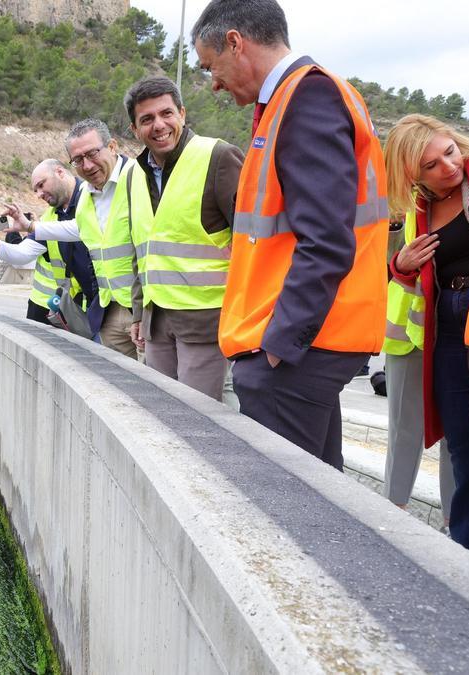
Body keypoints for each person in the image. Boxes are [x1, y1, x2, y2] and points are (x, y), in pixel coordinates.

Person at [193, 0, 389, 469]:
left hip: (300, 348)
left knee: (288, 513)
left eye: (210, 66)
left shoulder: (307, 98)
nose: (214, 82)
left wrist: (279, 348)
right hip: (309, 343)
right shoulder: (299, 97)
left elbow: (326, 241)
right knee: (321, 498)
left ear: (236, 43)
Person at [385, 114, 469, 560]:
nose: (448, 166)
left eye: (449, 152)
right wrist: (400, 267)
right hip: (445, 323)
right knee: (461, 448)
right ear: (412, 173)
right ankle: (462, 553)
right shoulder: (416, 206)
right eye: (430, 165)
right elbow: (395, 265)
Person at [121, 76, 244, 401]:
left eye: (166, 114)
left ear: (183, 114)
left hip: (205, 322)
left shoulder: (218, 157)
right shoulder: (134, 173)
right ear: (135, 129)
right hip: (156, 320)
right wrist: (138, 312)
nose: (158, 125)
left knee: (198, 421)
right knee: (164, 416)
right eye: (146, 119)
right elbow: (141, 250)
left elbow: (253, 242)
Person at [0, 119, 139, 357]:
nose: (86, 164)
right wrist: (28, 227)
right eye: (78, 160)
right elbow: (77, 228)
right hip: (107, 308)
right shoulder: (88, 195)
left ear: (113, 146)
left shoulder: (137, 179)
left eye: (92, 153)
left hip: (143, 306)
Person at [382, 212, 454, 519]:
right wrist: (394, 231)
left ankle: (457, 524)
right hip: (405, 332)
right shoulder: (395, 191)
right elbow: (376, 262)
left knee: (458, 435)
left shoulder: (463, 188)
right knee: (403, 431)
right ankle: (390, 515)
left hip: (452, 328)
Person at [0, 159, 101, 335]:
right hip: (79, 306)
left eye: (41, 185)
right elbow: (23, 253)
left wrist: (30, 226)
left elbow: (81, 228)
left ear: (60, 172)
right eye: (35, 190)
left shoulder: (93, 195)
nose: (39, 194)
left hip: (113, 301)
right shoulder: (50, 216)